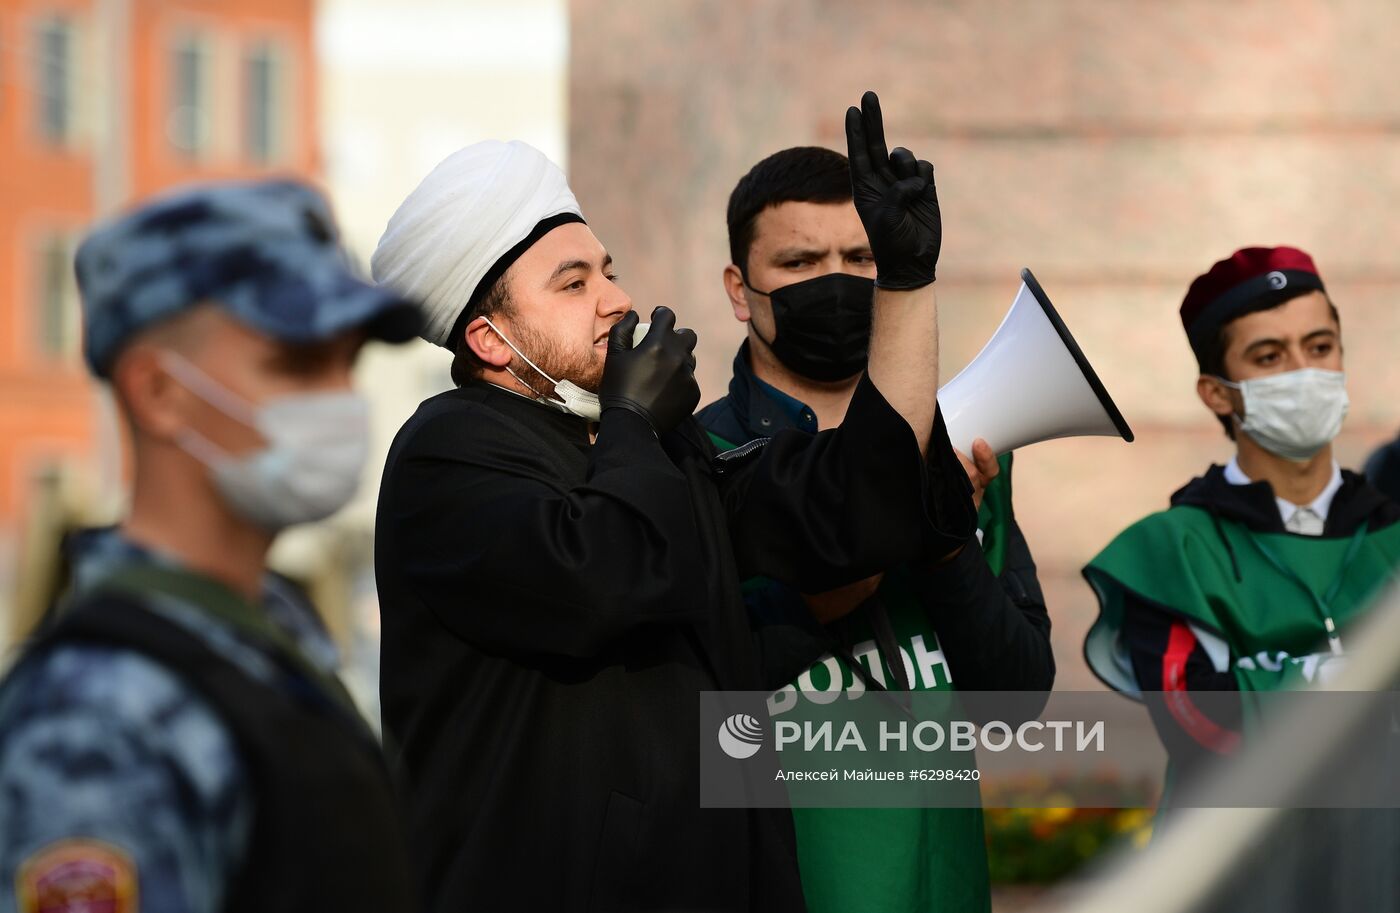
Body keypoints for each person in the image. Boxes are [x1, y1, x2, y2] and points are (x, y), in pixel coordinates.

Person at [370, 92, 978, 912]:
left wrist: (905, 283)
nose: (616, 300)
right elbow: (602, 576)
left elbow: (853, 510)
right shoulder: (448, 455)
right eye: (574, 282)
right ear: (490, 338)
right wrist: (630, 419)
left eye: (610, 271)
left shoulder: (654, 448)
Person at [0, 180, 422, 913]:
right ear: (160, 392)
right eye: (296, 363)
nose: (339, 398)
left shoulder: (268, 632)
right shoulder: (99, 718)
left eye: (345, 363)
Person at [696, 145, 1053, 913]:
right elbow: (679, 714)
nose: (838, 280)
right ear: (739, 288)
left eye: (863, 256)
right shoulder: (692, 465)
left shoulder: (967, 449)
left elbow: (1016, 701)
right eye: (799, 261)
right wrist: (843, 570)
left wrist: (946, 535)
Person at [1083, 246, 1400, 794]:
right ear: (1216, 393)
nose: (1305, 373)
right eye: (1269, 357)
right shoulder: (1169, 552)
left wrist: (1272, 688)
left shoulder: (1390, 534)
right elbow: (1206, 729)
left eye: (1320, 347)